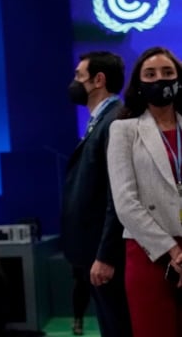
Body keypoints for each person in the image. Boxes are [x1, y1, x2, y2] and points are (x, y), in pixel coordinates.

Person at [107, 46, 182, 337]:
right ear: (139, 84)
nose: (159, 79)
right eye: (150, 74)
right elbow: (126, 204)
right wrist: (173, 250)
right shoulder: (123, 131)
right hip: (150, 252)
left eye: (167, 73)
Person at [61, 51, 132, 336]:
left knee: (119, 327)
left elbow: (118, 197)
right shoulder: (98, 122)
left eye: (79, 76)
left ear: (98, 80)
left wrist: (105, 255)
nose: (74, 82)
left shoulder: (114, 121)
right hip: (92, 252)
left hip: (107, 257)